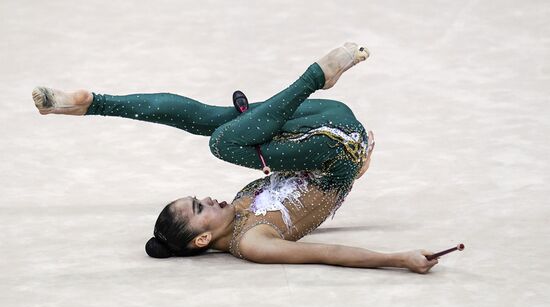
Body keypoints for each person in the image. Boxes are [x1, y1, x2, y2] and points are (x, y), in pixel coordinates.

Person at [32, 42, 439, 274]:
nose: (208, 198)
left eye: (198, 198)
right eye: (198, 208)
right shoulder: (254, 242)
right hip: (336, 143)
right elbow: (327, 254)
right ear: (203, 239)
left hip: (318, 125)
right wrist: (400, 258)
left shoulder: (238, 209)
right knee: (223, 143)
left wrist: (361, 166)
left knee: (211, 123)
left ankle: (94, 103)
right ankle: (316, 76)